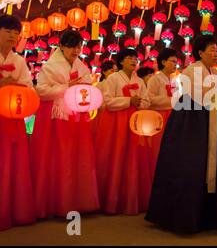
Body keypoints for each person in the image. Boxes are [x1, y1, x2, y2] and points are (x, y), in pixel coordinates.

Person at [145, 35, 217, 233]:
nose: (215, 53)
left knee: (212, 165)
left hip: (212, 118)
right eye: (211, 50)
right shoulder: (190, 70)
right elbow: (197, 95)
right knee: (190, 164)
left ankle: (210, 215)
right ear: (200, 52)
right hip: (191, 121)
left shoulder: (215, 72)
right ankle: (183, 216)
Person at [31, 29, 99, 218]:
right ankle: (55, 202)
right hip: (55, 117)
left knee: (78, 156)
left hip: (76, 116)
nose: (76, 50)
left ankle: (77, 200)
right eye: (71, 46)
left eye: (78, 46)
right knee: (57, 157)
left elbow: (87, 84)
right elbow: (41, 91)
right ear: (61, 46)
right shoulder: (50, 67)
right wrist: (66, 88)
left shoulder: (82, 66)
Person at [94, 49, 151, 215]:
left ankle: (132, 198)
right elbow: (107, 101)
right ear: (121, 62)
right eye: (129, 58)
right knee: (116, 155)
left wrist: (140, 103)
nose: (133, 61)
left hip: (135, 121)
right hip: (116, 122)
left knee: (134, 157)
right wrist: (128, 101)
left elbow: (147, 101)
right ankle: (112, 199)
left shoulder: (139, 81)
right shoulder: (112, 78)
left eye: (135, 58)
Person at [0, 14, 36, 231]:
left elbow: (29, 88)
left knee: (12, 163)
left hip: (12, 119)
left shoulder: (19, 60)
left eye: (16, 32)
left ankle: (11, 209)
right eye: (8, 31)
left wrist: (17, 87)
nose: (13, 36)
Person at [146, 48, 178, 165]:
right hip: (159, 117)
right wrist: (172, 100)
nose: (176, 65)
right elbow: (149, 100)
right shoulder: (155, 79)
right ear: (163, 62)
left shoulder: (174, 80)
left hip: (172, 116)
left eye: (176, 62)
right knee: (158, 147)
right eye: (173, 61)